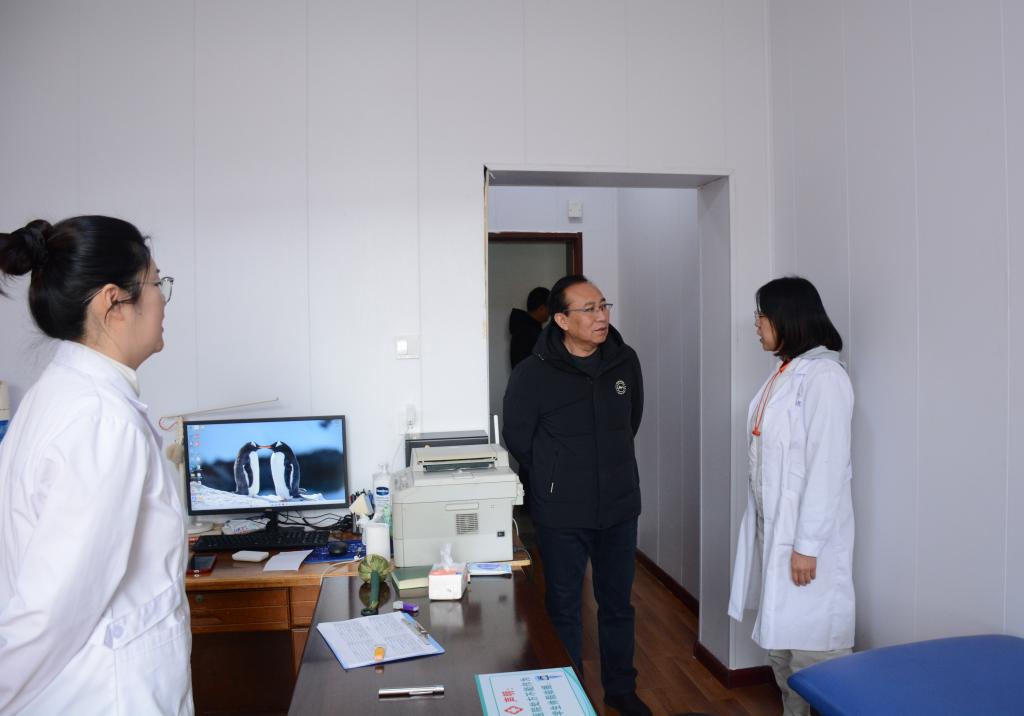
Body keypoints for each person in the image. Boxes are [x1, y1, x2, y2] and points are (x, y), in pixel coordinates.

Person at [0, 216, 193, 715]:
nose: (163, 301)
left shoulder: (58, 397)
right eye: (157, 284)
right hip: (103, 694)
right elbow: (53, 611)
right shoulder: (102, 420)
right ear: (114, 301)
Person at [503, 275, 650, 716]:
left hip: (619, 506)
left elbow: (631, 421)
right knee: (564, 607)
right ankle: (570, 694)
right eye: (589, 309)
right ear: (562, 320)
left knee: (617, 605)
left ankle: (621, 690)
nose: (601, 316)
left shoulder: (624, 361)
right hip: (562, 511)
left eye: (603, 306)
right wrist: (556, 477)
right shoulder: (533, 373)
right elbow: (518, 438)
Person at [728, 276, 855, 716]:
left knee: (814, 655)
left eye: (762, 315)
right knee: (782, 651)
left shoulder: (826, 377)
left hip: (808, 545)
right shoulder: (787, 372)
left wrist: (807, 546)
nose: (756, 324)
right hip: (777, 534)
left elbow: (827, 467)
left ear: (788, 317)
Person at [508, 286, 549, 369]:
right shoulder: (526, 332)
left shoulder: (526, 328)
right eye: (549, 308)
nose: (550, 312)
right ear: (541, 308)